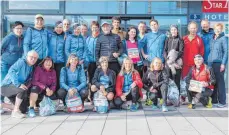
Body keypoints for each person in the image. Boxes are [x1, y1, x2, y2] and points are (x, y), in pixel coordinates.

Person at [1, 50, 38, 118]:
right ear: (27, 56)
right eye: (31, 57)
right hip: (6, 87)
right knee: (22, 89)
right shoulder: (21, 62)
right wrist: (18, 84)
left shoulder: (31, 67)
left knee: (23, 109)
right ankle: (15, 111)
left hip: (15, 90)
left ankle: (2, 105)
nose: (33, 59)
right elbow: (11, 70)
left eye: (35, 58)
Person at [1, 21, 24, 113]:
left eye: (21, 28)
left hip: (14, 66)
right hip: (5, 64)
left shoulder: (22, 38)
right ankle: (1, 103)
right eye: (17, 28)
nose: (19, 30)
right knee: (3, 83)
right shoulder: (9, 38)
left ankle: (12, 103)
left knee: (12, 83)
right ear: (13, 29)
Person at [208, 23, 228, 108]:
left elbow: (226, 52)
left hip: (219, 63)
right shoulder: (213, 38)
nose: (217, 30)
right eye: (216, 28)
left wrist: (223, 64)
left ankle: (222, 102)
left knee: (220, 83)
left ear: (222, 29)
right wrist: (209, 63)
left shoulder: (223, 38)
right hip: (212, 63)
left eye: (219, 28)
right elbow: (211, 51)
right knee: (214, 82)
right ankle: (214, 100)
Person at [163, 25, 184, 97]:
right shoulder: (168, 39)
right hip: (168, 63)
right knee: (169, 80)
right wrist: (167, 59)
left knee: (176, 80)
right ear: (170, 31)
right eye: (172, 30)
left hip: (176, 62)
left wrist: (173, 60)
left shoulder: (180, 39)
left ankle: (177, 98)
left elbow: (181, 52)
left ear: (177, 30)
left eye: (175, 30)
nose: (173, 31)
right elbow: (165, 50)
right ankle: (169, 97)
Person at [48, 21, 65, 90]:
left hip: (60, 61)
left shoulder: (64, 37)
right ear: (54, 28)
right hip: (50, 61)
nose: (59, 29)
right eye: (57, 27)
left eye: (60, 27)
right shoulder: (50, 36)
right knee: (50, 78)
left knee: (58, 77)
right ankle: (49, 92)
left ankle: (58, 92)